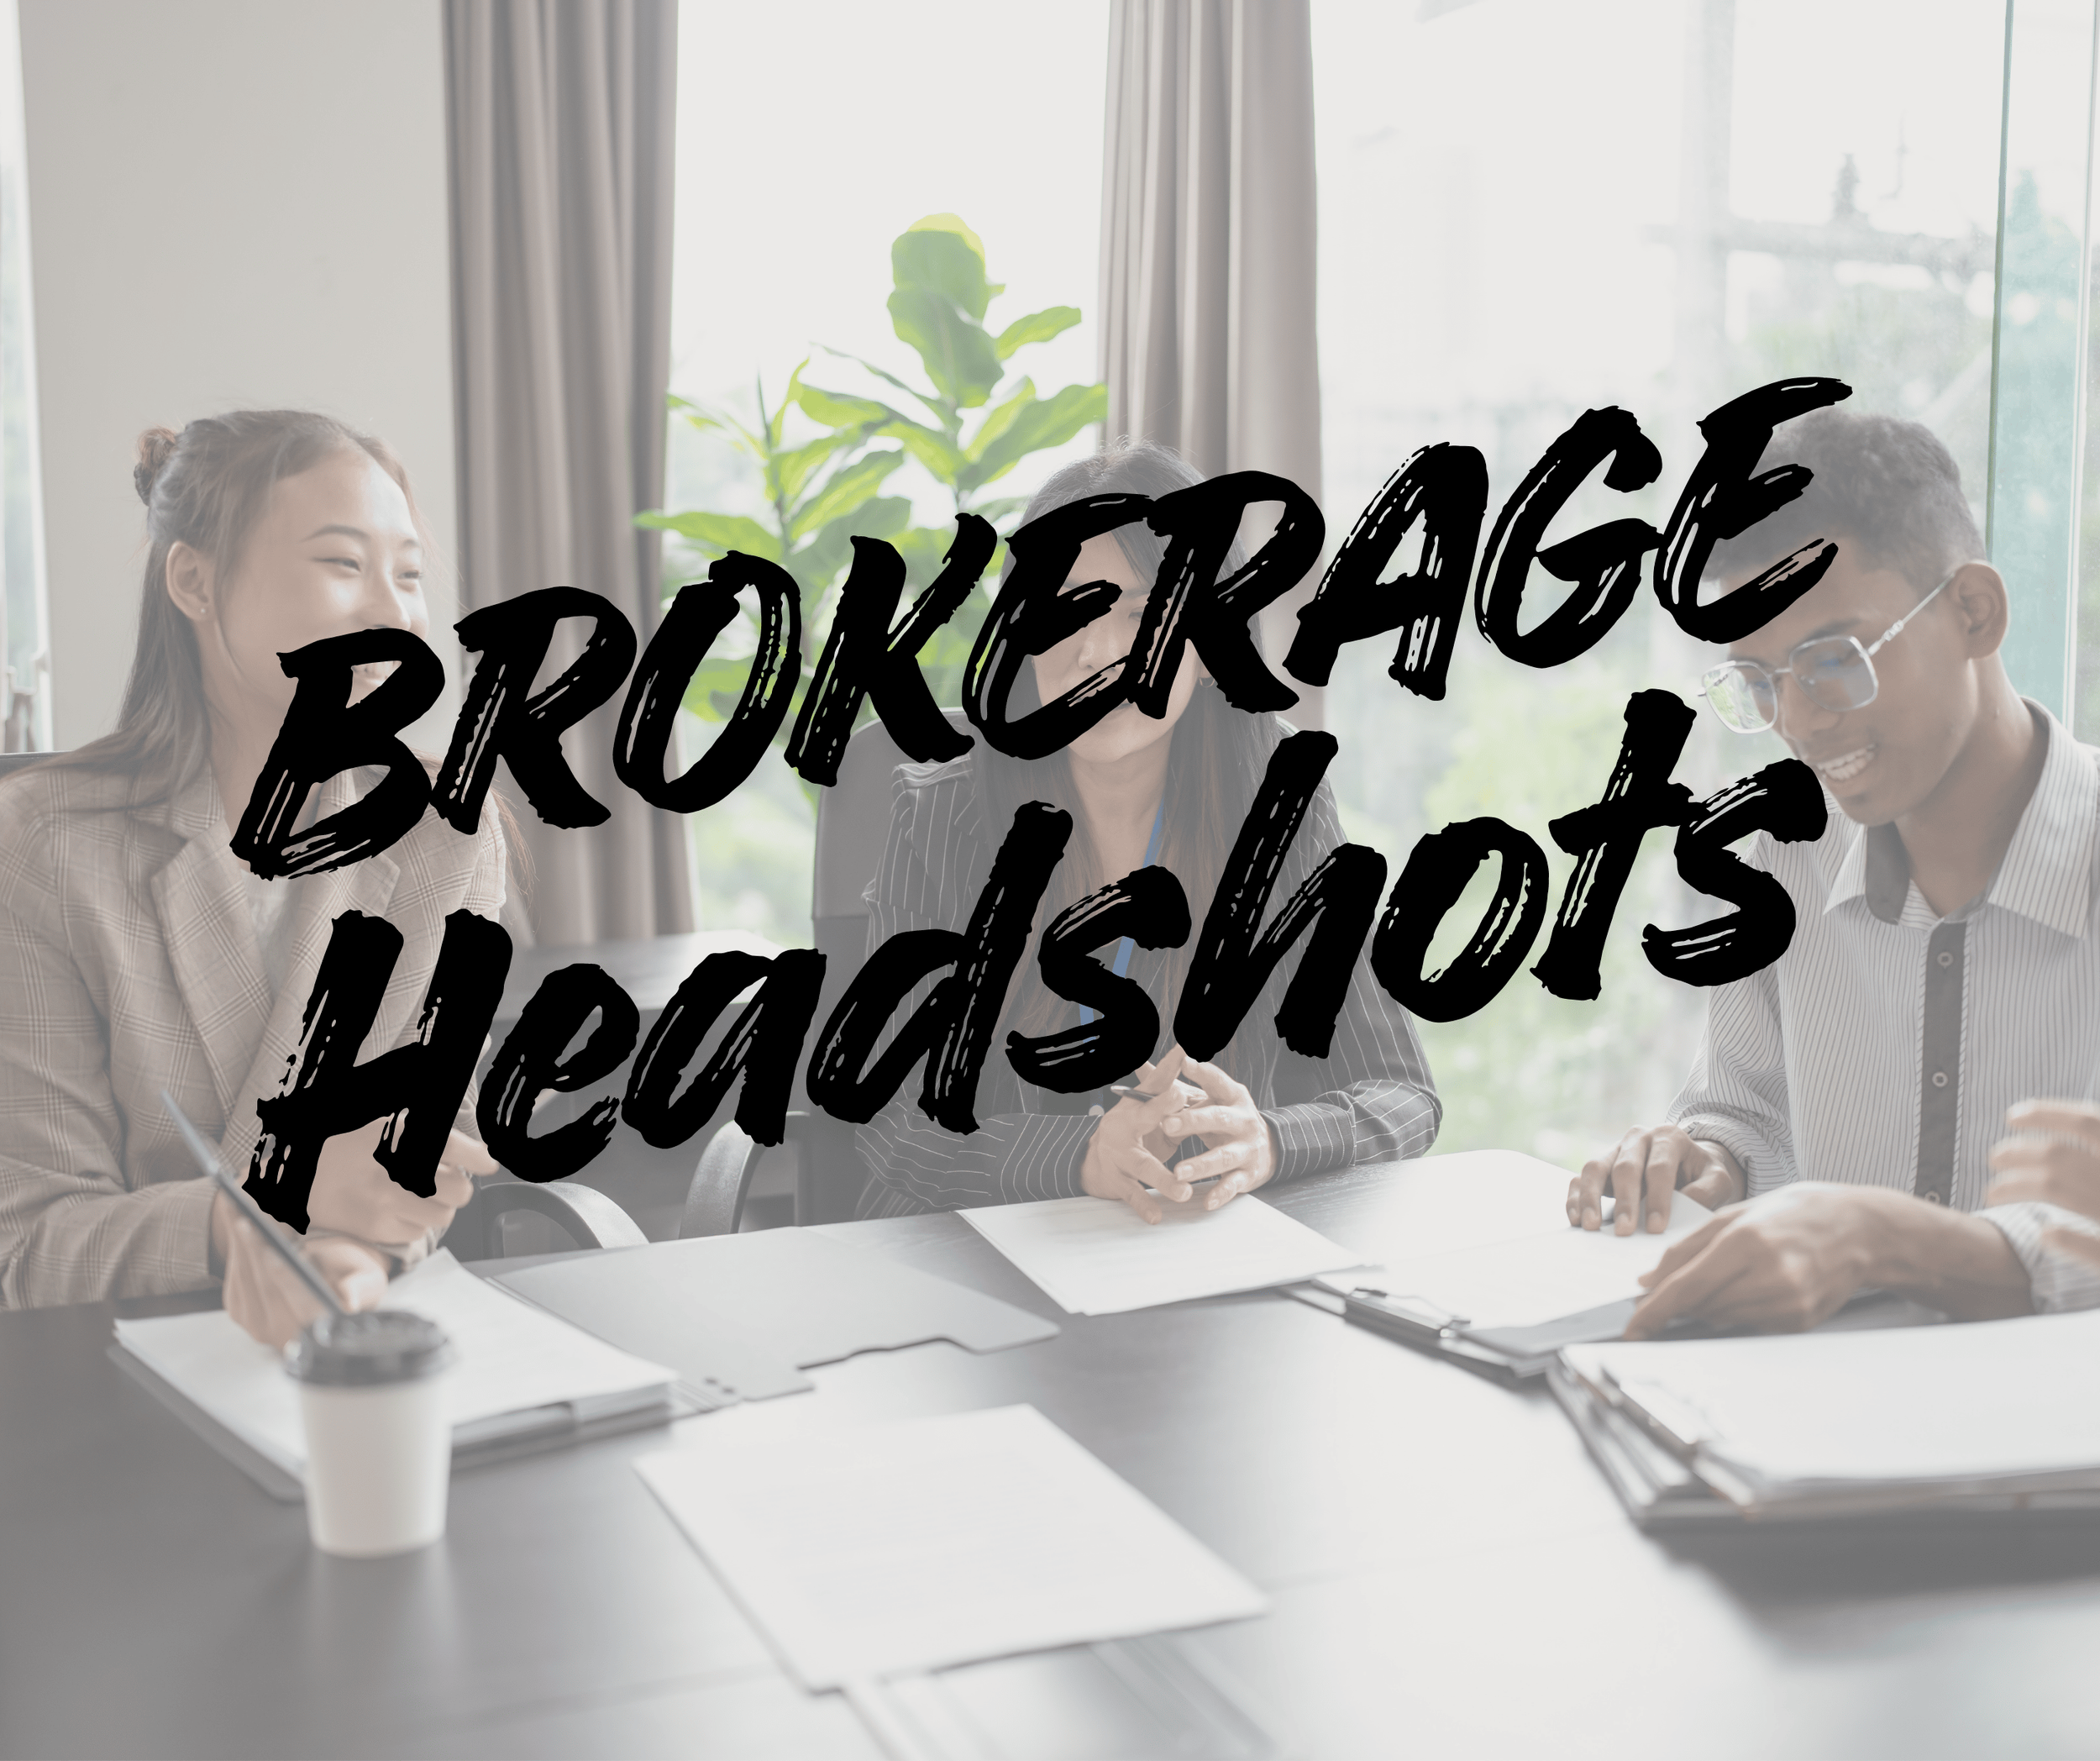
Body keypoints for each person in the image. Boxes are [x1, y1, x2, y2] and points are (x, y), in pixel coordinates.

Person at [1567, 407, 2100, 1336]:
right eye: (1760, 682)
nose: (1801, 723)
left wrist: (1880, 1239)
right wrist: (1703, 1159)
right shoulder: (1780, 855)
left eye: (1833, 660)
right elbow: (1747, 1111)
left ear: (1973, 610)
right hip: (1815, 1434)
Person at [0, 412, 507, 1345]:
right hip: (112, 1388)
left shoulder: (444, 830)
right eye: (343, 565)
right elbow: (28, 1246)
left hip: (359, 1347)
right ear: (194, 580)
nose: (396, 616)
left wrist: (361, 1251)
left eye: (409, 575)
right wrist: (251, 1218)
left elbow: (428, 1146)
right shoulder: (44, 845)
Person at [855, 440, 1440, 1221]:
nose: (1097, 655)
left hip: (1184, 1253)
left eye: (1143, 613)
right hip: (964, 1257)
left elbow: (1403, 1091)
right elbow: (886, 1119)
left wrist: (1269, 1140)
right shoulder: (943, 814)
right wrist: (1079, 1158)